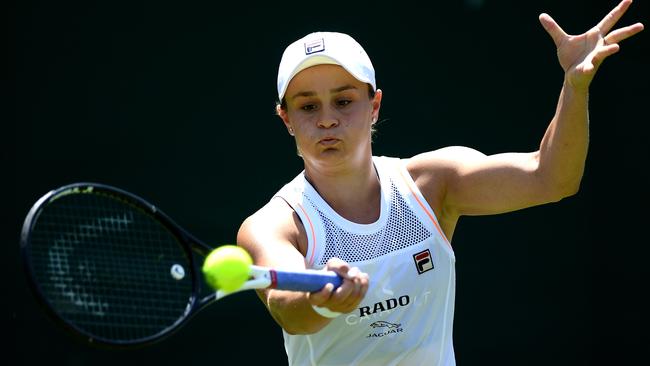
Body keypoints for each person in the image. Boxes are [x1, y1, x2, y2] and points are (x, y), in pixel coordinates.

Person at [236, 1, 644, 365]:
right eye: (308, 106)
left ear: (374, 106)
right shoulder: (273, 226)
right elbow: (287, 307)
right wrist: (323, 302)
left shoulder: (433, 182)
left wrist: (574, 87)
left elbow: (552, 178)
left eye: (344, 101)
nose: (327, 119)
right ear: (286, 119)